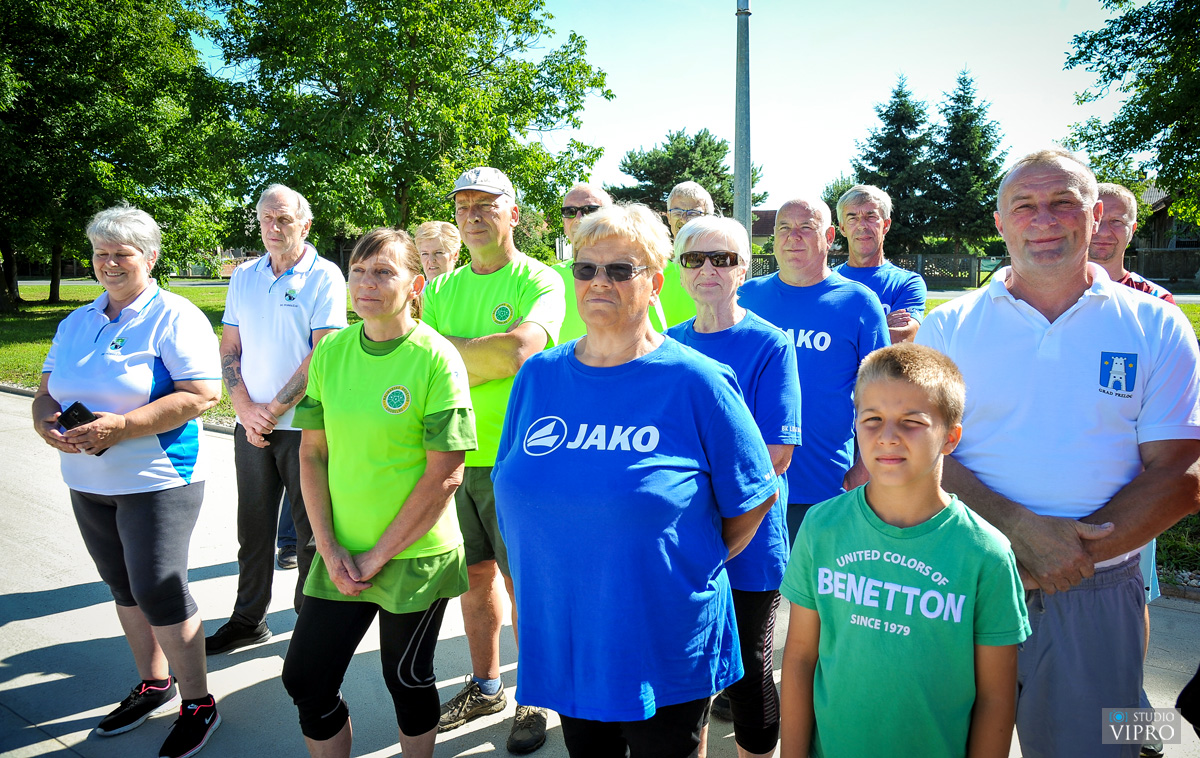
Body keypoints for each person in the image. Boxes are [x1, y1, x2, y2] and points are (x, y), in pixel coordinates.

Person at [915, 148, 1200, 758]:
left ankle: (1158, 740)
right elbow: (921, 455)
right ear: (1000, 222)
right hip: (964, 581)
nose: (1043, 219)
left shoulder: (1157, 323)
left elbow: (1180, 472)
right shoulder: (948, 327)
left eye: (1063, 202)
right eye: (1025, 205)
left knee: (1096, 747)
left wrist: (1065, 554)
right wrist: (1017, 531)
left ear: (1096, 217)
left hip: (1096, 589)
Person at [492, 203, 779, 758]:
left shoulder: (696, 381)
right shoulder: (539, 376)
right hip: (568, 631)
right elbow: (512, 481)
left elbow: (755, 494)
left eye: (620, 270)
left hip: (659, 634)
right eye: (586, 268)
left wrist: (687, 561)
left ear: (654, 282)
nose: (599, 282)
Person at [32, 205, 223, 758]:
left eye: (123, 253)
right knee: (123, 586)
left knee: (160, 588)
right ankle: (153, 682)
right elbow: (48, 389)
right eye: (100, 253)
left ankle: (198, 703)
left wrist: (122, 427)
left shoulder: (175, 316)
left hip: (157, 476)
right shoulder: (78, 320)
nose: (109, 263)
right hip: (87, 477)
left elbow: (200, 395)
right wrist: (45, 422)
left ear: (151, 257)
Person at [779, 343, 1029, 758]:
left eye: (912, 422)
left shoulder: (985, 553)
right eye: (872, 419)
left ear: (950, 437)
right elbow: (802, 658)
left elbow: (995, 699)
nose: (888, 437)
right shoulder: (821, 527)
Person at [281, 228, 475, 758]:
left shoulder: (436, 358)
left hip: (414, 556)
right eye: (359, 271)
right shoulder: (332, 352)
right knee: (305, 679)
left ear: (415, 285)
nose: (367, 283)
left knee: (407, 680)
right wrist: (329, 545)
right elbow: (312, 454)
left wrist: (376, 555)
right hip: (339, 551)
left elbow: (445, 475)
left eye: (384, 271)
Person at [425, 167, 564, 754]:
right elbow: (415, 362)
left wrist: (445, 353)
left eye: (487, 204)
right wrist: (469, 357)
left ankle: (535, 694)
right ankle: (485, 685)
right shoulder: (438, 288)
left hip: (520, 460)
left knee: (525, 581)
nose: (473, 214)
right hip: (451, 458)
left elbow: (519, 353)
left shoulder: (541, 279)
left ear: (513, 212)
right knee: (473, 579)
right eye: (463, 206)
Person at [665, 216, 801, 758]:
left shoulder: (769, 345)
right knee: (688, 668)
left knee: (748, 666)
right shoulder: (666, 343)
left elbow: (776, 455)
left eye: (722, 258)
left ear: (745, 267)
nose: (708, 270)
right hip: (682, 541)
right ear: (678, 270)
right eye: (694, 258)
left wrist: (721, 536)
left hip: (747, 538)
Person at [206, 184, 348, 655]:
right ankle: (248, 619)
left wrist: (273, 410)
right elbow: (230, 347)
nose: (272, 227)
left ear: (305, 225)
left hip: (304, 425)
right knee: (254, 529)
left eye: (283, 219)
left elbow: (322, 352)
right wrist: (245, 409)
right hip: (251, 427)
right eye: (266, 218)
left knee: (309, 535)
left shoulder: (324, 275)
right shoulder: (244, 275)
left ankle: (310, 623)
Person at [739, 197, 889, 542]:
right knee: (759, 593)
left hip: (827, 482)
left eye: (806, 228)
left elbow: (881, 393)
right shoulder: (746, 297)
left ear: (830, 236)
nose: (794, 237)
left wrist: (866, 465)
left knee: (818, 594)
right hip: (750, 480)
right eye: (784, 229)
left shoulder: (858, 302)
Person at [1088, 181, 1175, 758]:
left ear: (1131, 230)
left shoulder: (1156, 307)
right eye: (1101, 218)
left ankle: (1134, 720)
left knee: (1131, 604)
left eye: (1119, 221)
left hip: (1129, 495)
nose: (1104, 231)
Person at [833, 184, 927, 343]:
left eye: (871, 217)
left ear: (886, 225)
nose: (862, 225)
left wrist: (837, 330)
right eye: (852, 218)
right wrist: (881, 324)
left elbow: (902, 337)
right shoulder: (825, 280)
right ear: (842, 228)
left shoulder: (907, 283)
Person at [1088, 183, 1175, 304]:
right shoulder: (1055, 296)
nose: (1103, 232)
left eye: (1116, 221)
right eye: (1095, 220)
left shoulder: (1156, 299)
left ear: (1132, 230)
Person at [554, 183, 613, 342]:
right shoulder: (548, 277)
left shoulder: (632, 273)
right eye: (570, 212)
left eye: (590, 210)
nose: (579, 219)